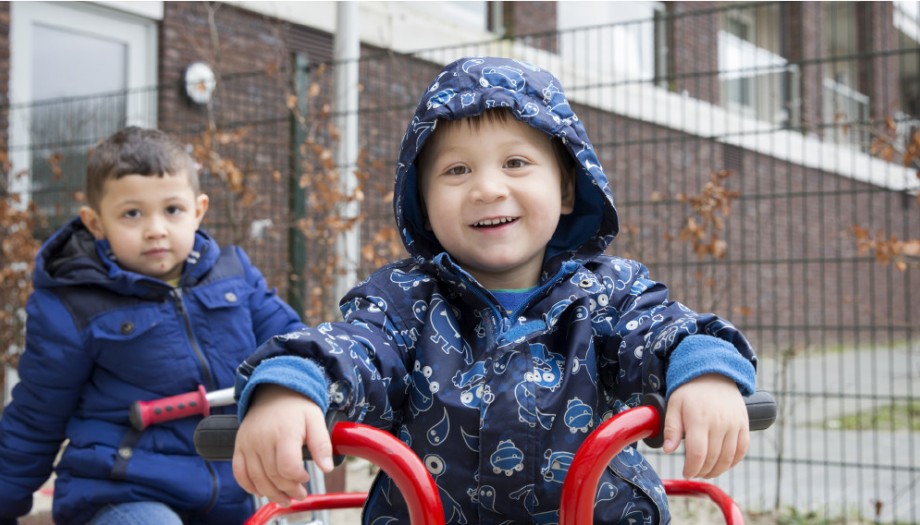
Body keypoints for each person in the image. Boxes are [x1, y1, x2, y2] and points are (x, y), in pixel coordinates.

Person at [231, 57, 758, 524]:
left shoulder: (608, 294)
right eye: (457, 170)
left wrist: (704, 371)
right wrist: (293, 385)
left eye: (516, 163)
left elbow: (664, 329)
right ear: (423, 203)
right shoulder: (403, 300)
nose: (487, 188)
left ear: (568, 187)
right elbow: (355, 346)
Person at [0, 126, 305, 525]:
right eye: (132, 213)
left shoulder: (234, 277)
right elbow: (36, 417)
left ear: (198, 210)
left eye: (172, 210)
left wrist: (295, 391)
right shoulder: (74, 304)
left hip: (232, 492)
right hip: (121, 492)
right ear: (95, 223)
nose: (155, 229)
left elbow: (293, 345)